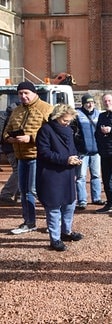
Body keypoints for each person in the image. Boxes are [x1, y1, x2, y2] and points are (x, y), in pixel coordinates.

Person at [2, 81, 54, 234]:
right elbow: (6, 131)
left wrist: (31, 138)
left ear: (34, 93)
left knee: (37, 190)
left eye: (26, 93)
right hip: (21, 156)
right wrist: (9, 138)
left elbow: (52, 133)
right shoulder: (16, 110)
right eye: (20, 93)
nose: (23, 96)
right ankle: (29, 222)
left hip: (38, 156)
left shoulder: (46, 109)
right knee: (24, 191)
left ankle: (54, 222)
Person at [36, 104, 84, 251]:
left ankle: (66, 232)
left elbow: (72, 149)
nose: (67, 123)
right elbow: (44, 152)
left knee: (70, 204)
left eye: (69, 120)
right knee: (54, 206)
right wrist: (65, 160)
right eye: (65, 120)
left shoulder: (69, 130)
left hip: (67, 172)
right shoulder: (45, 130)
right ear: (57, 117)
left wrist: (75, 158)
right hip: (51, 174)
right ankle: (55, 239)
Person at [71, 93, 105, 209]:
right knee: (81, 177)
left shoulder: (99, 114)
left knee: (96, 176)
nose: (90, 105)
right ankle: (82, 200)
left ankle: (96, 198)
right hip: (82, 152)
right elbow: (72, 133)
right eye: (87, 103)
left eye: (92, 102)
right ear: (83, 104)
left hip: (96, 151)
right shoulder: (77, 115)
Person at [0, 103, 19, 205]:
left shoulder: (6, 116)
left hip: (8, 148)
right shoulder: (14, 118)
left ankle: (18, 194)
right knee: (18, 171)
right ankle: (5, 194)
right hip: (12, 148)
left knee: (20, 170)